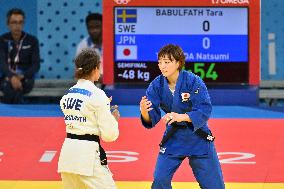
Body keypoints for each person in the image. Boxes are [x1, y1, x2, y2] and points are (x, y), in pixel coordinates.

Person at [139, 44, 225, 189]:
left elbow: (204, 109)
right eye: (160, 62)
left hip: (198, 136)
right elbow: (151, 119)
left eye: (167, 62)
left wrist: (182, 117)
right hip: (174, 136)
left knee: (214, 185)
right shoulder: (156, 85)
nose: (162, 66)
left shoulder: (193, 81)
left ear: (178, 63)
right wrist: (144, 112)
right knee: (159, 179)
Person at [58, 48, 120, 189]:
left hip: (67, 156)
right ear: (95, 68)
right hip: (87, 159)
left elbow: (84, 116)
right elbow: (109, 135)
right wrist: (113, 119)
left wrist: (104, 106)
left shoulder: (67, 96)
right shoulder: (98, 95)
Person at [0, 8, 40, 104]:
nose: (17, 26)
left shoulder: (32, 40)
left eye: (20, 22)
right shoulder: (2, 40)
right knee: (10, 85)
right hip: (6, 77)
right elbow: (1, 62)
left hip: (26, 78)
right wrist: (11, 76)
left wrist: (21, 76)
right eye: (14, 22)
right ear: (8, 24)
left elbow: (36, 65)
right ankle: (18, 116)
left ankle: (7, 116)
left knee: (15, 86)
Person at [75, 13, 104, 89]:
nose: (94, 30)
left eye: (97, 27)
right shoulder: (82, 45)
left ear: (103, 26)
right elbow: (79, 70)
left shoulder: (112, 43)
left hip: (111, 83)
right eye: (91, 27)